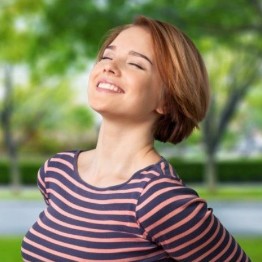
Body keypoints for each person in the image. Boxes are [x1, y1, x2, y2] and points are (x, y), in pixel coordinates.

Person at [21, 15, 250, 262]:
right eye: (107, 56)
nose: (109, 66)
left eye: (136, 64)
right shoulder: (57, 172)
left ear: (166, 99)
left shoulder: (161, 199)